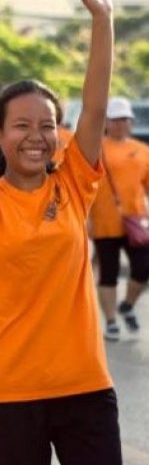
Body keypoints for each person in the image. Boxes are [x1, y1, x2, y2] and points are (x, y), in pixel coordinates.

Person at [0, 0, 124, 465]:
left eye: (46, 125)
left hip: (85, 388)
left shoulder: (73, 183)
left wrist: (103, 20)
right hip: (10, 395)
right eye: (21, 125)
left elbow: (93, 107)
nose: (37, 136)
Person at [89, 96, 149, 341]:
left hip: (135, 221)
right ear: (106, 122)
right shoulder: (96, 149)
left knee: (144, 268)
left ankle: (127, 305)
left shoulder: (143, 150)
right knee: (109, 272)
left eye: (124, 119)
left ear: (130, 122)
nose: (119, 124)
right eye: (114, 120)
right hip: (104, 221)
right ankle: (111, 320)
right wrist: (88, 219)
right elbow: (86, 186)